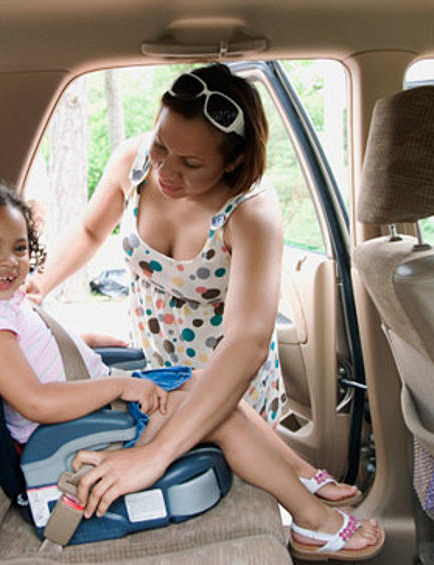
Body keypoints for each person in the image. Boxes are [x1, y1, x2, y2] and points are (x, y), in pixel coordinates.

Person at [0, 177, 384, 561]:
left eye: (20, 248)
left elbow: (35, 359)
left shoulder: (3, 303)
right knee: (218, 413)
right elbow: (35, 400)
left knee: (211, 381)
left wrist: (83, 344)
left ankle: (299, 472)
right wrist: (119, 385)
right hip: (71, 437)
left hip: (86, 413)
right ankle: (312, 522)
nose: (9, 261)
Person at [25, 64, 361, 507]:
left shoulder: (250, 212)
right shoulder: (135, 162)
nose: (164, 169)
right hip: (158, 363)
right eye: (162, 144)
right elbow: (90, 231)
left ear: (234, 160)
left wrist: (153, 456)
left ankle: (303, 486)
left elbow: (246, 342)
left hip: (226, 379)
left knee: (226, 489)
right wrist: (36, 287)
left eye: (191, 163)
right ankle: (301, 476)